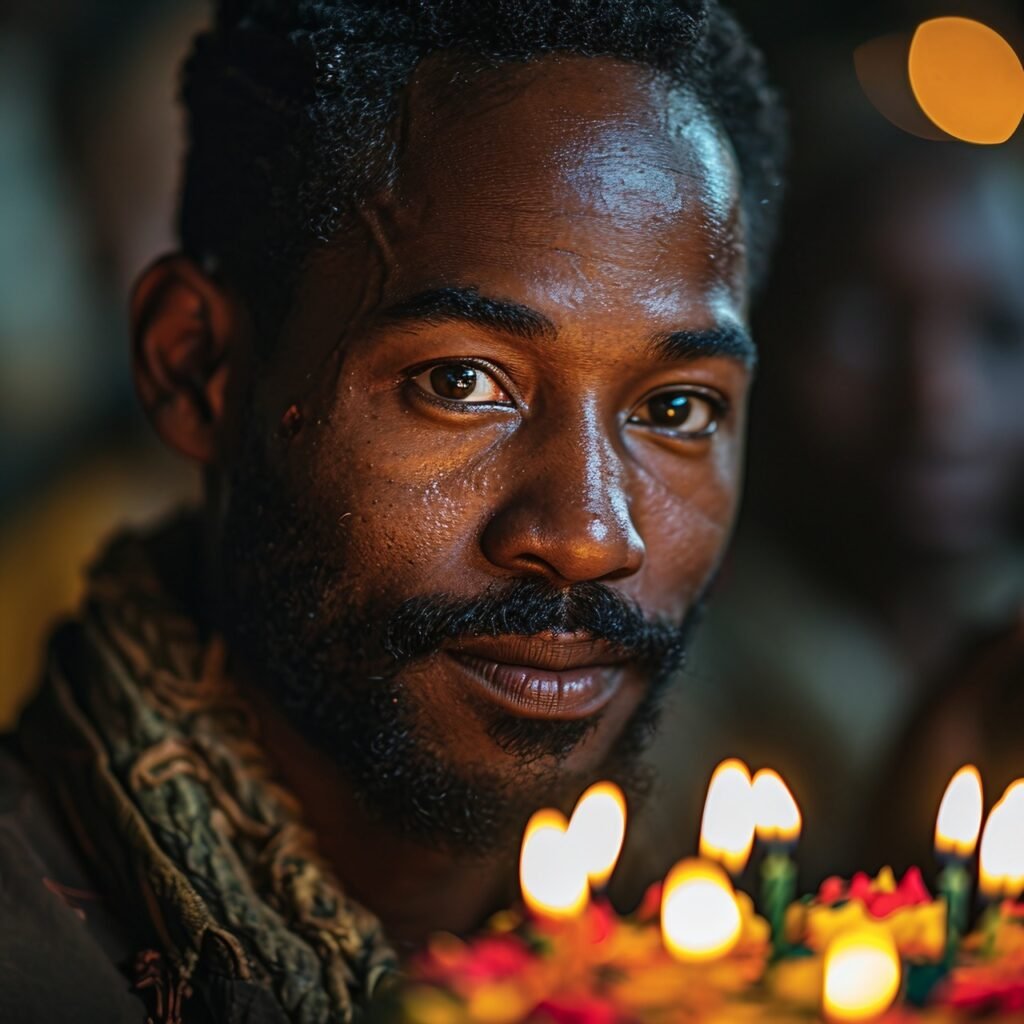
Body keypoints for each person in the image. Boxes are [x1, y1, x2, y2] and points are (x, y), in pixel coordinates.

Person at [0, 1, 785, 1021]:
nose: (590, 536)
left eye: (674, 408)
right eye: (459, 383)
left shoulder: (738, 922)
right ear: (197, 369)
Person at [641, 64, 1024, 887]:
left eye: (998, 333)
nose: (940, 401)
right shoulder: (657, 676)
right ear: (758, 334)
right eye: (865, 326)